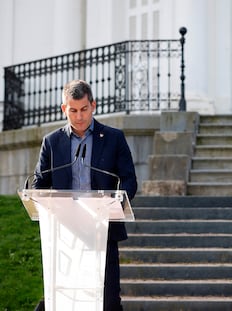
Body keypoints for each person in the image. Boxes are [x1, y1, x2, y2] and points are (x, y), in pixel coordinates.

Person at [33, 79, 137, 311]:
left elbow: (129, 180)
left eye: (83, 109)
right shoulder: (51, 143)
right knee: (66, 301)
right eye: (73, 110)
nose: (79, 116)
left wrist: (115, 202)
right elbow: (40, 183)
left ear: (93, 106)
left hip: (103, 229)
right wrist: (40, 198)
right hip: (65, 235)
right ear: (64, 109)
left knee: (109, 301)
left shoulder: (113, 138)